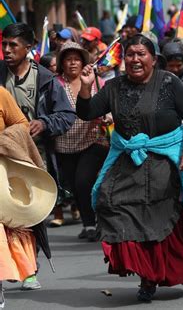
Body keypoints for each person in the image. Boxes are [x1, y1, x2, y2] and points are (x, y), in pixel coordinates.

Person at [76, 34, 183, 302]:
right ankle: (143, 270)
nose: (135, 59)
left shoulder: (169, 83)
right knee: (109, 200)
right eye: (130, 54)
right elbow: (87, 111)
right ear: (124, 59)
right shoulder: (114, 87)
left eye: (141, 54)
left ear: (153, 59)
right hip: (128, 159)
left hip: (164, 158)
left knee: (153, 209)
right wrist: (85, 87)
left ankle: (151, 276)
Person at [0, 22, 76, 289]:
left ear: (29, 48)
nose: (7, 50)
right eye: (4, 44)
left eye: (13, 45)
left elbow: (67, 115)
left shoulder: (45, 79)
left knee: (28, 212)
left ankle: (30, 268)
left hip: (34, 156)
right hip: (1, 157)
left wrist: (44, 123)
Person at [55, 42, 109, 241]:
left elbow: (108, 103)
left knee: (83, 180)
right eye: (68, 59)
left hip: (93, 139)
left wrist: (108, 116)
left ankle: (97, 221)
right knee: (76, 186)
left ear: (83, 61)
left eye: (76, 59)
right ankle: (88, 224)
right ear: (62, 63)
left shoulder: (96, 81)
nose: (72, 63)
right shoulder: (54, 84)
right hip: (65, 144)